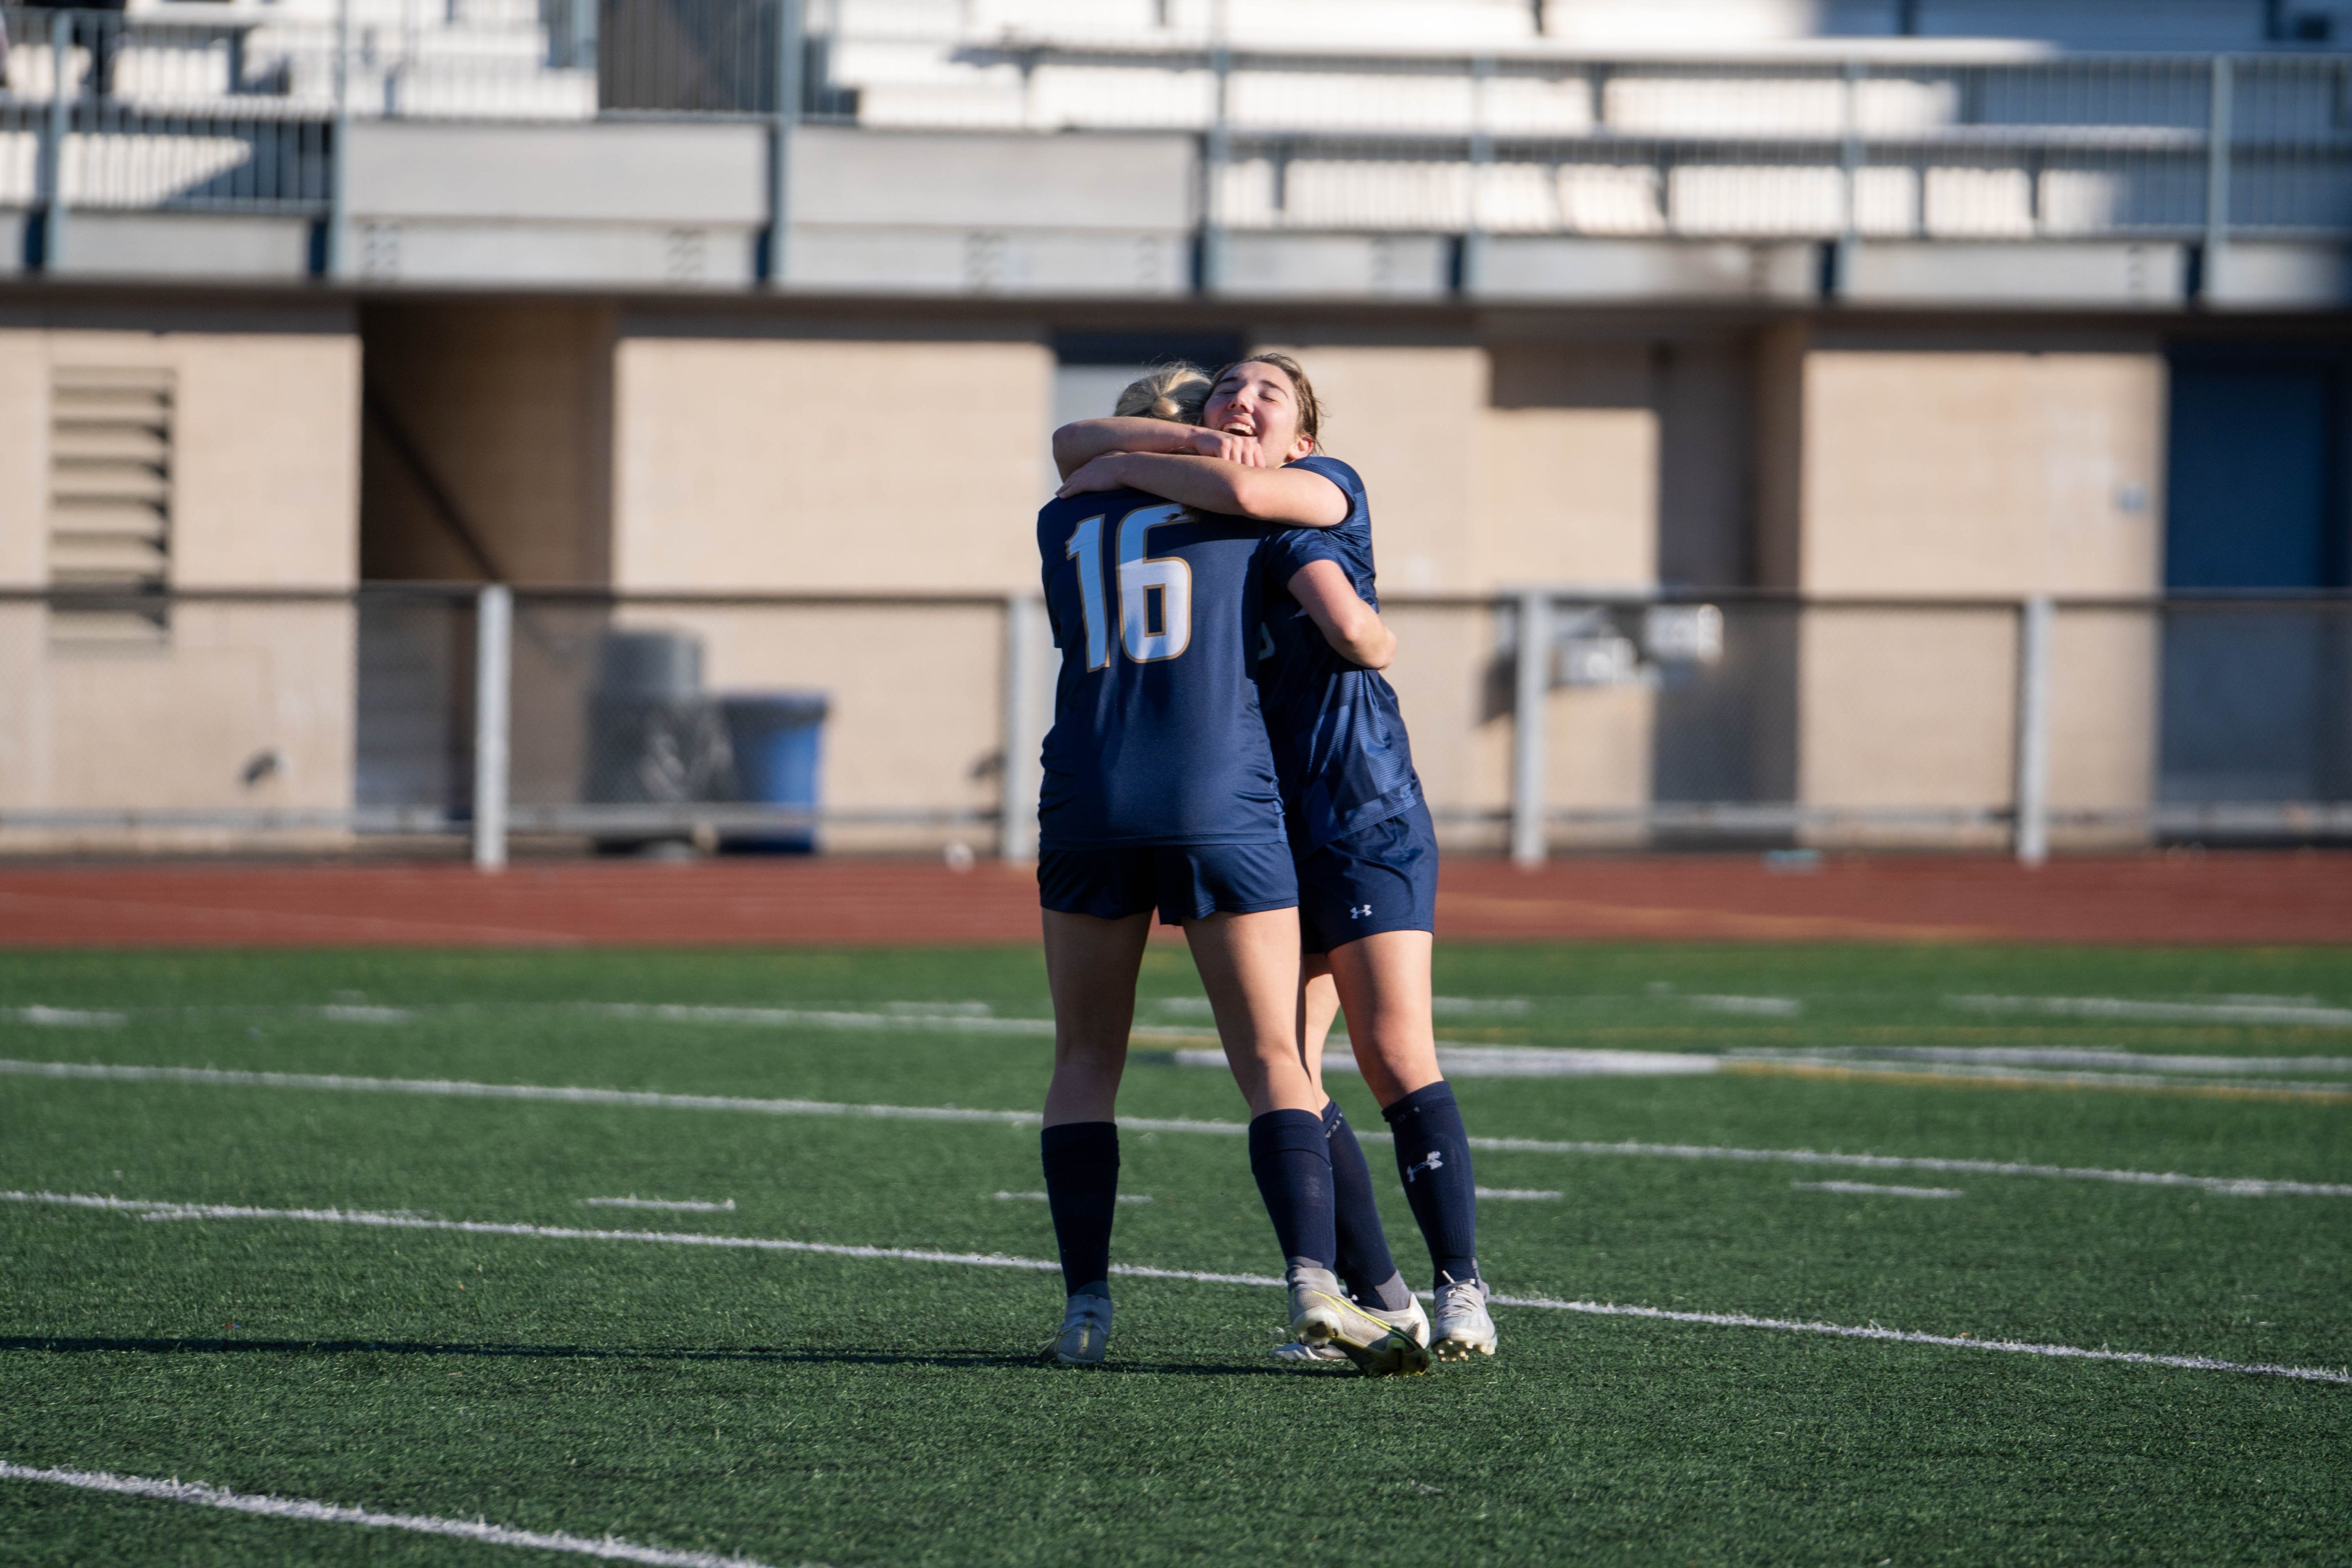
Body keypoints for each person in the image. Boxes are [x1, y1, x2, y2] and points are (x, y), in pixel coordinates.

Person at [1054, 353, 1499, 1362]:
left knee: (1392, 1050)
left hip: (1357, 801)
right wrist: (1144, 460)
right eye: (1226, 389)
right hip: (1259, 811)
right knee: (1291, 1064)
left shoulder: (1315, 488)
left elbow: (1352, 625)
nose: (1240, 402)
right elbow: (1075, 450)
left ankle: (1463, 1286)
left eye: (1268, 394)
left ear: (1304, 434)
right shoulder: (1206, 523)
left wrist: (1131, 465)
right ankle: (1380, 1298)